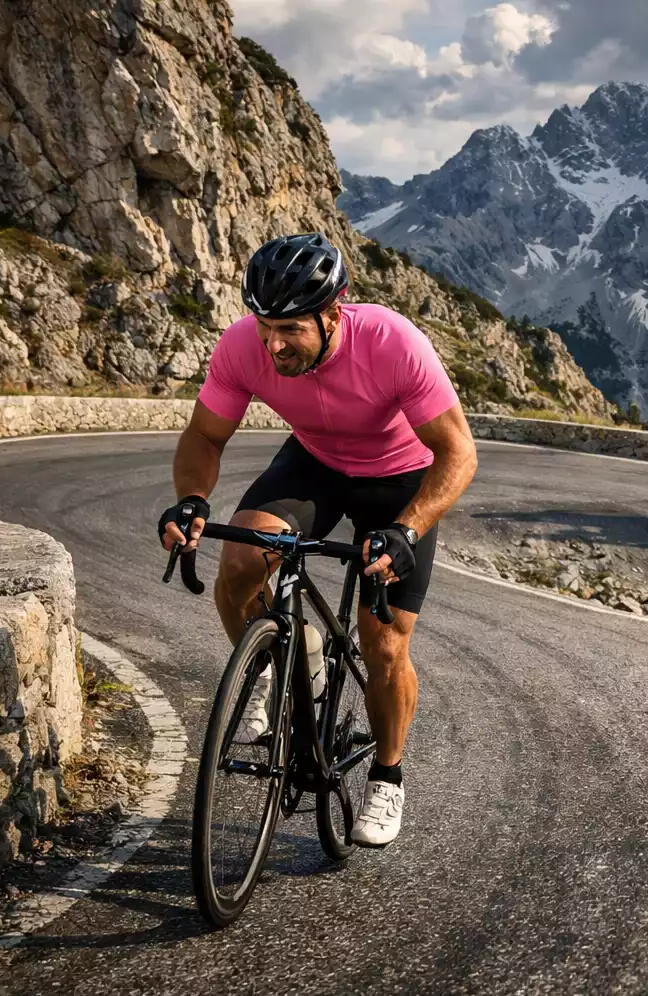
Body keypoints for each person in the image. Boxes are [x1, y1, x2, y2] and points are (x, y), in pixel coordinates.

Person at [157, 233, 478, 849]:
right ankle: (288, 659)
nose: (272, 345)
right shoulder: (243, 345)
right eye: (265, 326)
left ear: (334, 313)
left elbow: (458, 453)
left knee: (382, 646)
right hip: (316, 464)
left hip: (401, 480)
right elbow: (204, 437)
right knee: (241, 563)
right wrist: (194, 500)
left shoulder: (391, 342)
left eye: (290, 331)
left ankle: (388, 773)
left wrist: (408, 529)